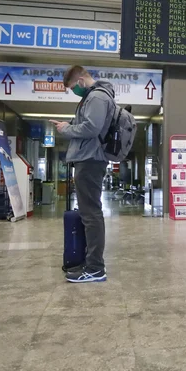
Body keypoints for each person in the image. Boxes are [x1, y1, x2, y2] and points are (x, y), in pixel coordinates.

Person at [51, 65, 114, 283]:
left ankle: (96, 268)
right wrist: (69, 125)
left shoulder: (96, 97)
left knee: (91, 214)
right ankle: (91, 262)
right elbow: (88, 126)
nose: (73, 92)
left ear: (80, 81)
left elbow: (91, 128)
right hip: (88, 158)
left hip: (90, 160)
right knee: (89, 214)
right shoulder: (92, 97)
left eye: (71, 88)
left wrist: (66, 129)